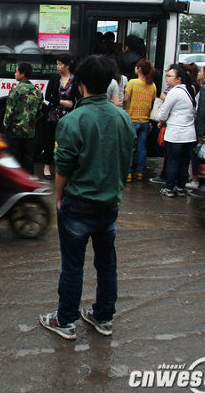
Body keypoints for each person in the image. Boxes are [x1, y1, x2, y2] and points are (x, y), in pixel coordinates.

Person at [39, 55, 135, 340]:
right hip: (109, 204)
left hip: (78, 203)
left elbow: (64, 166)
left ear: (79, 83)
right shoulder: (122, 118)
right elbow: (124, 160)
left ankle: (66, 320)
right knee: (106, 263)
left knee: (72, 265)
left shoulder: (74, 120)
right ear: (109, 84)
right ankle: (103, 317)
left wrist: (58, 197)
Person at [156, 64, 196, 197]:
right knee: (184, 163)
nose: (166, 78)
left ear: (178, 79)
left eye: (169, 76)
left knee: (173, 161)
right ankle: (180, 187)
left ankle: (169, 188)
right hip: (189, 135)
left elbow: (163, 113)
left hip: (176, 134)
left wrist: (161, 121)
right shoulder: (188, 91)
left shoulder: (174, 92)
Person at [41, 54, 80, 179]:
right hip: (52, 114)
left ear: (67, 65)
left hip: (68, 115)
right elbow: (47, 96)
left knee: (66, 141)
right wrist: (61, 102)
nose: (57, 67)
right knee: (49, 141)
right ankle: (46, 166)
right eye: (57, 64)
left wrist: (73, 106)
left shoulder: (76, 80)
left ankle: (63, 167)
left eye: (59, 64)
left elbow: (78, 97)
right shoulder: (54, 78)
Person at [3, 62, 43, 173]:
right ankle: (29, 183)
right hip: (30, 132)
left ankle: (15, 184)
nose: (15, 74)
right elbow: (39, 113)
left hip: (15, 131)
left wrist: (6, 125)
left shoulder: (15, 90)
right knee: (28, 159)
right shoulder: (38, 92)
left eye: (16, 71)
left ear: (23, 74)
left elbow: (9, 112)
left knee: (15, 159)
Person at [123, 59, 157, 181]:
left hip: (132, 119)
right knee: (142, 147)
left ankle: (128, 173)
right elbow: (152, 100)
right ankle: (140, 172)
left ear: (139, 69)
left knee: (130, 148)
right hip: (145, 121)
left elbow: (126, 99)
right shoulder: (152, 85)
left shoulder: (132, 82)